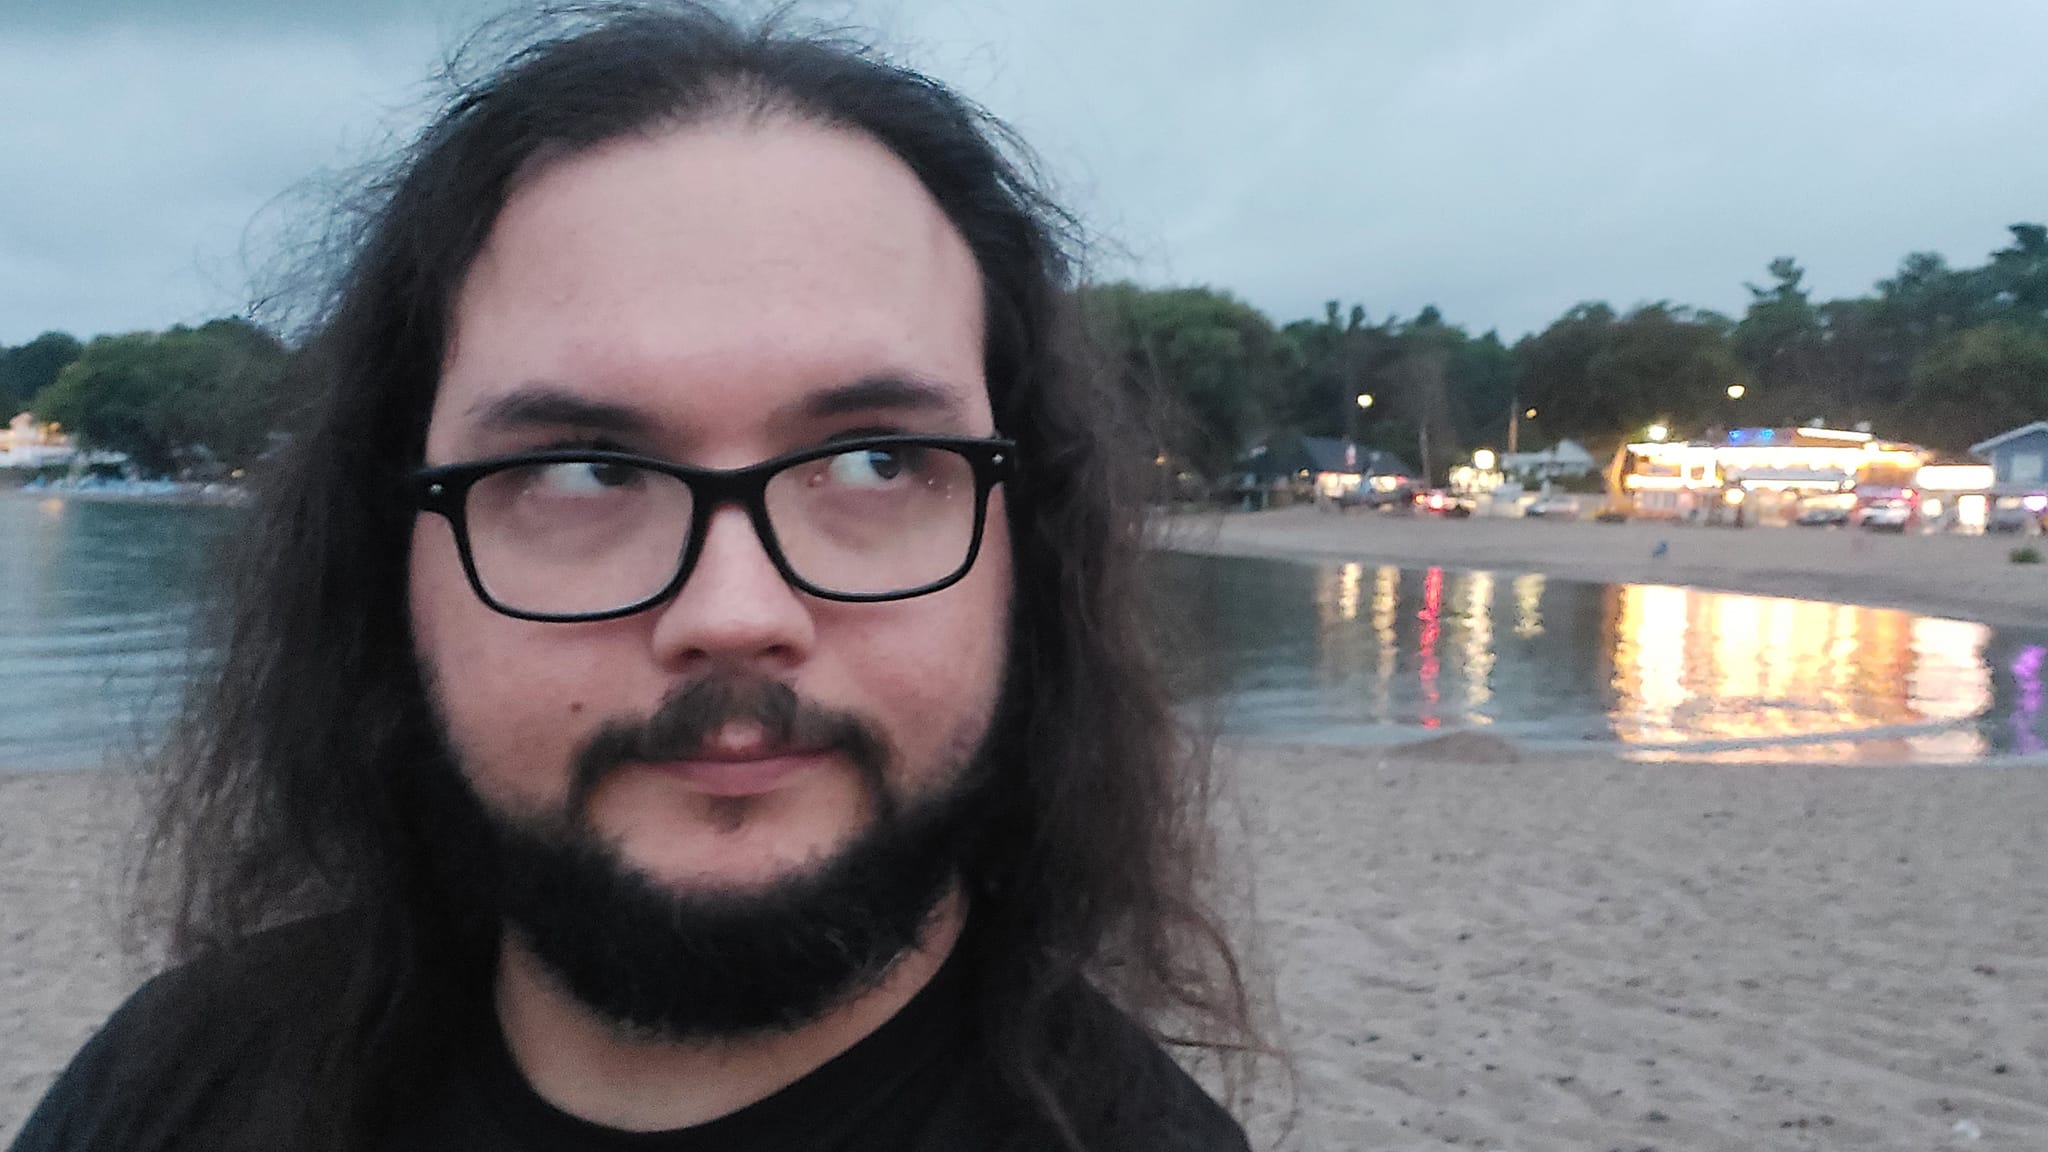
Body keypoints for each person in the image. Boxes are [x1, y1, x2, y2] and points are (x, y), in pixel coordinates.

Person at [10, 5, 1257, 1150]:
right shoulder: (174, 1090)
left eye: (876, 461)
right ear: (389, 563)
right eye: (578, 472)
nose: (733, 616)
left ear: (1023, 553)